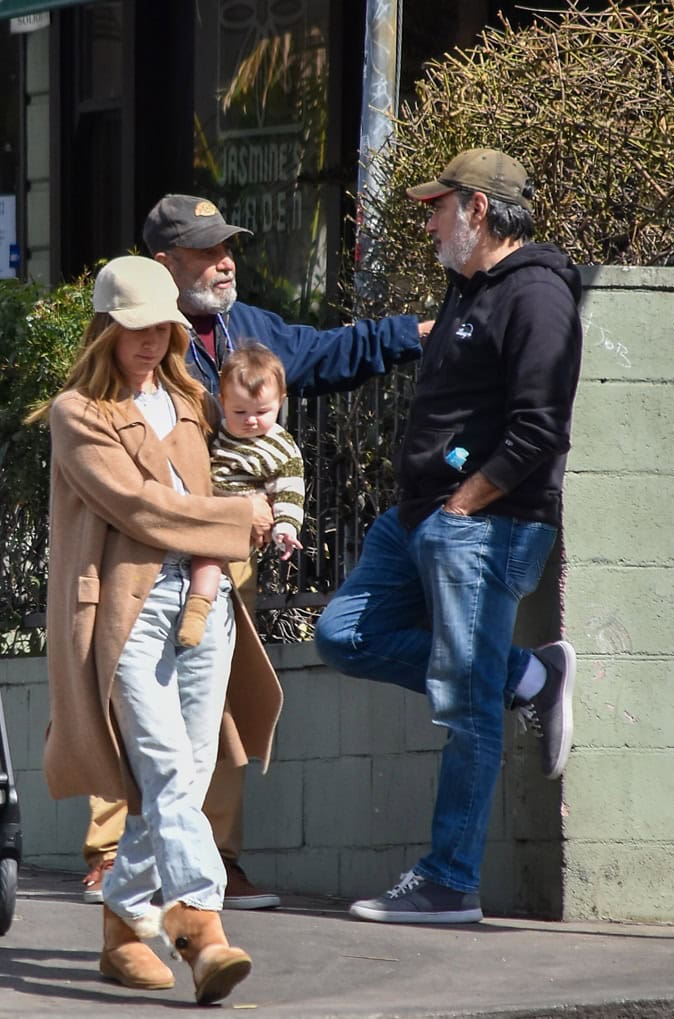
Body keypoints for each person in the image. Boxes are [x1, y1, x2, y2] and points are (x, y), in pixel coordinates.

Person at [79, 194, 432, 910]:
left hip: (222, 552)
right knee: (132, 694)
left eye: (227, 246)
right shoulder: (134, 351)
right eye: (207, 251)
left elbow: (333, 351)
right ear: (163, 265)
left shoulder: (253, 331)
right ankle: (110, 854)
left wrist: (418, 331)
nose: (225, 260)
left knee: (217, 709)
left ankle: (216, 855)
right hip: (144, 552)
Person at [313, 147, 582, 923]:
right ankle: (528, 676)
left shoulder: (535, 294)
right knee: (343, 634)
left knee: (466, 705)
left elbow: (540, 429)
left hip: (483, 526)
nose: (427, 218)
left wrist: (464, 504)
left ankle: (448, 880)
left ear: (477, 208)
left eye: (438, 205)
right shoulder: (466, 286)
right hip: (420, 523)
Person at [35, 255, 283, 1003]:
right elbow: (139, 507)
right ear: (106, 328)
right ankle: (201, 930)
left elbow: (227, 471)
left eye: (164, 328)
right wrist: (241, 518)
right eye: (136, 329)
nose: (151, 342)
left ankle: (119, 927)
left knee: (179, 778)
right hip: (126, 609)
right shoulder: (77, 414)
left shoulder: (190, 399)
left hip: (202, 600)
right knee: (170, 770)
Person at [179, 342, 304, 648]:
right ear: (222, 401)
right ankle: (198, 613)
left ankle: (207, 620)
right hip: (210, 513)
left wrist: (285, 528)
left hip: (242, 531)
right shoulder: (216, 431)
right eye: (240, 411)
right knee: (207, 559)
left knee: (234, 584)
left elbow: (290, 492)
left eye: (263, 411)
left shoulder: (281, 448)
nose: (251, 420)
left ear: (281, 402)